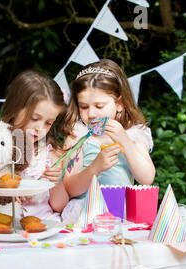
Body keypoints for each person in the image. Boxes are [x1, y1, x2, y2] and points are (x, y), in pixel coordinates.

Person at [0, 70, 69, 221]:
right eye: (34, 118)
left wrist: (57, 183)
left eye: (48, 123)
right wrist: (3, 180)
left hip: (40, 228)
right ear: (15, 109)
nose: (40, 128)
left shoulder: (50, 155)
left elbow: (59, 206)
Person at [60, 59, 156, 223]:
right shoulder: (78, 136)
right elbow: (70, 188)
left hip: (122, 213)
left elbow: (147, 178)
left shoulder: (134, 135)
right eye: (84, 106)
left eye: (99, 106)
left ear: (119, 104)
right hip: (86, 214)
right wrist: (94, 168)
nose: (91, 114)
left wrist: (125, 142)